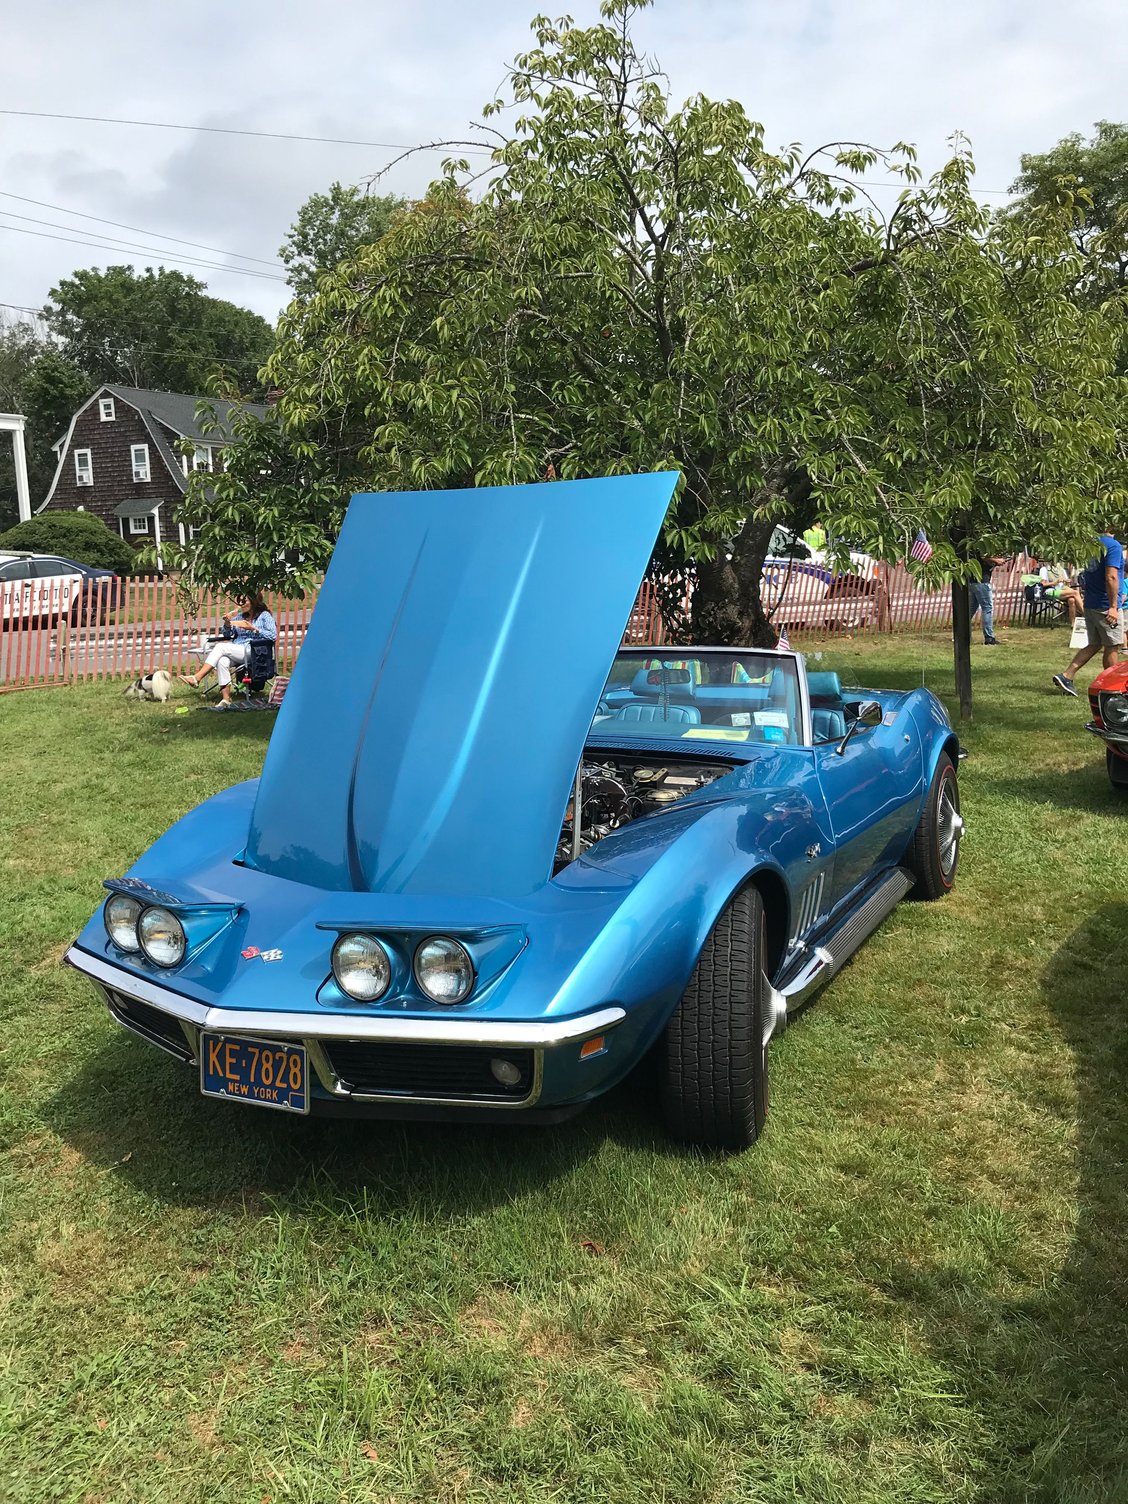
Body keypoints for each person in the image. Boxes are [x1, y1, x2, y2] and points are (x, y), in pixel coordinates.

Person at [1052, 529, 1125, 696]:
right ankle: (1112, 688)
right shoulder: (1113, 546)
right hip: (1105, 605)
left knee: (1095, 643)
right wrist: (1113, 606)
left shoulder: (1090, 544)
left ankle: (1066, 676)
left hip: (1091, 603)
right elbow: (1111, 577)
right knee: (1112, 646)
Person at [179, 592, 278, 706]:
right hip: (238, 650)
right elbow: (228, 634)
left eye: (244, 601)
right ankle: (226, 699)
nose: (241, 604)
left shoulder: (265, 615)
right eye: (239, 602)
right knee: (222, 661)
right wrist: (227, 623)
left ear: (253, 601)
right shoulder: (240, 617)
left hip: (254, 651)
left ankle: (197, 677)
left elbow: (273, 636)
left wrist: (253, 629)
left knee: (221, 647)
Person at [969, 553, 1005, 645]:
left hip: (972, 582)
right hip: (982, 582)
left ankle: (962, 634)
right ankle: (989, 637)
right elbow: (984, 556)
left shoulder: (972, 547)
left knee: (970, 611)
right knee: (987, 609)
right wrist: (997, 560)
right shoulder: (981, 546)